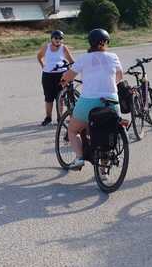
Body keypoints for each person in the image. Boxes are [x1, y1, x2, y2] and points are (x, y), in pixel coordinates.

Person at [60, 28, 123, 170]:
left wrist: (63, 80)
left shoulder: (84, 58)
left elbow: (69, 76)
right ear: (106, 42)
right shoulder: (113, 56)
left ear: (90, 42)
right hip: (112, 100)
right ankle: (104, 164)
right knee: (108, 128)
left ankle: (79, 158)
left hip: (89, 100)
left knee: (73, 130)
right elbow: (119, 76)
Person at [37, 30, 74, 126]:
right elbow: (39, 56)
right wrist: (43, 66)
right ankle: (48, 117)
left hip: (60, 75)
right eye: (56, 38)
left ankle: (60, 118)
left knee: (60, 98)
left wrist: (69, 72)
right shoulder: (46, 47)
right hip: (47, 75)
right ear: (52, 39)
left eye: (60, 38)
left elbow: (71, 61)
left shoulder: (63, 48)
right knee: (48, 98)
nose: (58, 40)